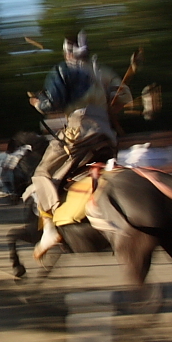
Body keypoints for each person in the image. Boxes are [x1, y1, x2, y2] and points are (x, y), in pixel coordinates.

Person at [28, 31, 131, 258]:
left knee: (42, 172)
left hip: (80, 132)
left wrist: (37, 102)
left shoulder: (63, 71)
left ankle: (49, 230)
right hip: (107, 136)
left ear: (66, 52)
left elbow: (50, 104)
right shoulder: (102, 71)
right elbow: (124, 98)